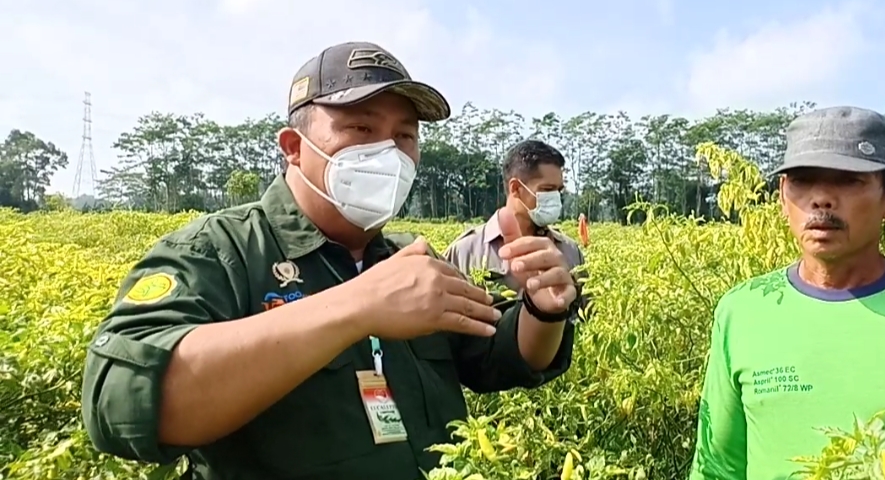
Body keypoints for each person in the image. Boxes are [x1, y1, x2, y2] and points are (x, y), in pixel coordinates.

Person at [80, 42, 578, 480]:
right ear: (295, 147)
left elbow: (501, 354)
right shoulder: (221, 251)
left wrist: (544, 309)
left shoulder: (411, 261)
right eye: (361, 127)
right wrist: (357, 305)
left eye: (405, 136)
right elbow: (120, 400)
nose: (388, 152)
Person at [688, 106, 885, 480]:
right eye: (802, 181)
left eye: (849, 180)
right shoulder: (742, 312)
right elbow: (718, 466)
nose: (821, 199)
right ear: (782, 195)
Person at [443, 139, 589, 323]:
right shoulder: (465, 251)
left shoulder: (569, 250)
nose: (555, 199)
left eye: (558, 191)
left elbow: (586, 320)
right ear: (516, 189)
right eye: (547, 190)